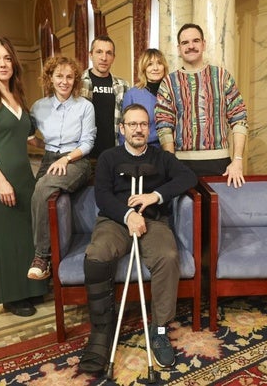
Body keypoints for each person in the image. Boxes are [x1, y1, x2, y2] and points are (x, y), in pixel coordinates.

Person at [78, 103, 197, 373]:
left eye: (143, 124)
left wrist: (155, 196)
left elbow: (187, 177)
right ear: (122, 129)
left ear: (150, 128)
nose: (138, 129)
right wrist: (127, 215)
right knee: (97, 254)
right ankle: (101, 331)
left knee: (168, 256)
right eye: (132, 124)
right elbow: (102, 196)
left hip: (153, 221)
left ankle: (160, 330)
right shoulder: (109, 157)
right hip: (115, 221)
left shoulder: (161, 158)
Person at [0, 36, 48, 317]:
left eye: (6, 58)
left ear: (13, 62)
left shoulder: (17, 96)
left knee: (26, 237)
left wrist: (57, 145)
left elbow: (28, 137)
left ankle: (31, 289)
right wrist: (1, 180)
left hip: (25, 179)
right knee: (4, 239)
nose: (3, 64)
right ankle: (11, 297)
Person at [27, 56, 96, 281]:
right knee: (33, 193)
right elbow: (29, 134)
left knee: (44, 187)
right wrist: (41, 145)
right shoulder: (39, 107)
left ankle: (41, 257)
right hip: (49, 157)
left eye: (69, 76)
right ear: (50, 78)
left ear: (76, 79)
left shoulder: (85, 106)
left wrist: (65, 159)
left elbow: (87, 143)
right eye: (59, 76)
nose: (64, 81)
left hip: (77, 160)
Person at [155, 23, 249, 188]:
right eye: (185, 43)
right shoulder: (169, 82)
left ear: (203, 44)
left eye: (195, 41)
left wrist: (238, 160)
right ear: (179, 48)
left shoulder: (222, 77)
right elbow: (164, 125)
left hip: (220, 164)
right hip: (181, 164)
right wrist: (171, 165)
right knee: (185, 213)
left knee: (218, 213)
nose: (191, 46)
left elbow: (239, 117)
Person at [81, 35, 130, 160]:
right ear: (90, 55)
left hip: (114, 154)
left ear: (113, 58)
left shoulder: (123, 86)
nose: (104, 58)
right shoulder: (78, 84)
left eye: (109, 53)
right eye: (99, 52)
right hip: (84, 154)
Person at [120, 48, 169, 147]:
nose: (155, 68)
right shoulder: (132, 95)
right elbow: (124, 131)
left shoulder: (172, 91)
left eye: (159, 63)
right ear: (143, 68)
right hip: (143, 150)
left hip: (171, 149)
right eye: (150, 64)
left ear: (164, 67)